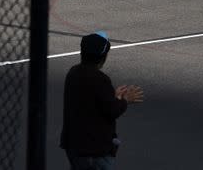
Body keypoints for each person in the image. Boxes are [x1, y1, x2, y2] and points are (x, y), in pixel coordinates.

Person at [60, 31, 143, 170]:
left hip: (74, 146)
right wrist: (124, 100)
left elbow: (90, 100)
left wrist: (114, 96)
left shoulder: (73, 73)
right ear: (103, 58)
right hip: (94, 150)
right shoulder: (100, 79)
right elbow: (112, 110)